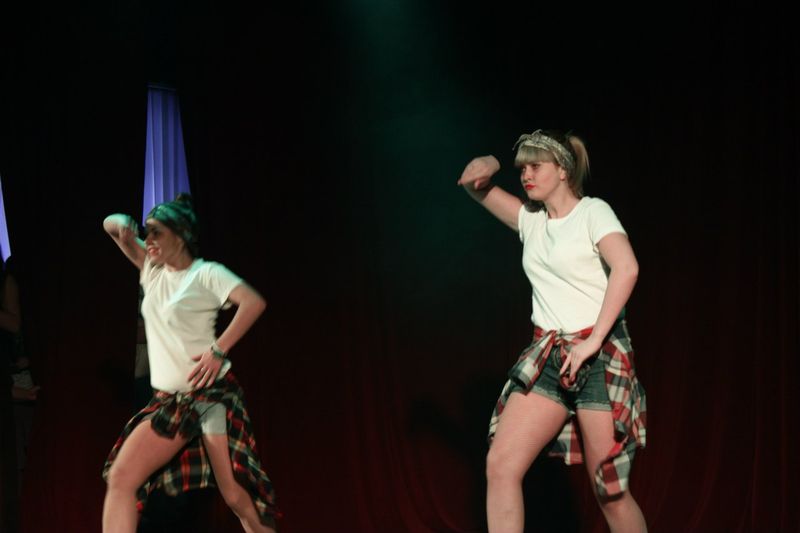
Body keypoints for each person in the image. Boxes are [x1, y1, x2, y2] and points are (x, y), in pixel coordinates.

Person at [458, 130, 647, 533]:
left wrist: (592, 341)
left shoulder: (593, 212)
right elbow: (473, 183)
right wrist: (493, 162)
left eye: (535, 166)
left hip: (596, 358)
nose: (526, 175)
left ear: (563, 170)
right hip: (548, 356)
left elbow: (627, 267)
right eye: (522, 168)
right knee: (501, 465)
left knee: (609, 492)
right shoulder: (530, 220)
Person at [101, 194, 278, 533]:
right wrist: (122, 224)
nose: (149, 240)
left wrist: (218, 350)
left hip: (208, 398)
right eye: (147, 232)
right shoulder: (152, 271)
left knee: (234, 494)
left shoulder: (207, 273)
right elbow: (109, 226)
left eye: (157, 232)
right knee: (123, 477)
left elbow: (253, 302)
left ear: (180, 236)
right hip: (171, 402)